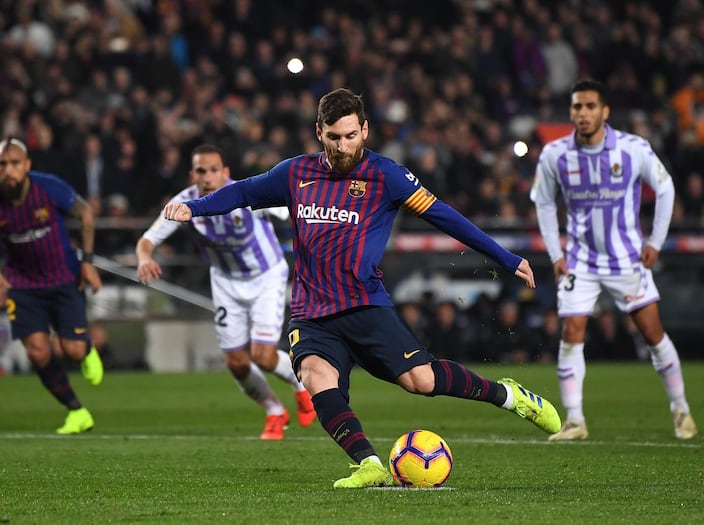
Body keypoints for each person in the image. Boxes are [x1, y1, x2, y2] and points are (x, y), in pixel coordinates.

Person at [163, 88, 560, 488]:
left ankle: (508, 396)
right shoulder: (295, 173)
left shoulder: (386, 175)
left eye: (351, 136)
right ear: (319, 132)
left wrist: (507, 258)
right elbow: (243, 192)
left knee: (421, 382)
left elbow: (445, 217)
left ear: (365, 130)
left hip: (364, 305)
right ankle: (368, 463)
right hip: (311, 312)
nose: (342, 146)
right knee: (316, 376)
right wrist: (193, 208)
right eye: (334, 137)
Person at [530, 78, 698, 441]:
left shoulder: (633, 149)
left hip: (627, 261)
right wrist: (556, 254)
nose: (583, 113)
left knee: (653, 334)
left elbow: (666, 187)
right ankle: (575, 420)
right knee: (571, 332)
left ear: (605, 112)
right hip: (580, 261)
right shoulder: (555, 154)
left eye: (590, 106)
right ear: (571, 112)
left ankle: (681, 409)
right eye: (577, 106)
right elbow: (542, 202)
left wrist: (656, 240)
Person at [136, 144, 316, 440]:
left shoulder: (248, 194)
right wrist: (145, 258)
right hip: (225, 282)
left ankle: (300, 386)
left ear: (226, 172)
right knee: (236, 362)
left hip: (266, 276)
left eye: (213, 170)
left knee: (264, 356)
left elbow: (294, 212)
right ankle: (274, 410)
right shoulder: (183, 204)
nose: (207, 176)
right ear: (192, 174)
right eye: (201, 171)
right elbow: (147, 240)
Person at [0, 137, 105, 435]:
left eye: (15, 163)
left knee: (71, 350)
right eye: (2, 164)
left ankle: (85, 350)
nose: (9, 170)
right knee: (38, 353)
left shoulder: (49, 187)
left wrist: (87, 261)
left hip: (63, 277)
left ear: (27, 165)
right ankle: (76, 411)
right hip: (22, 285)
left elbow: (85, 212)